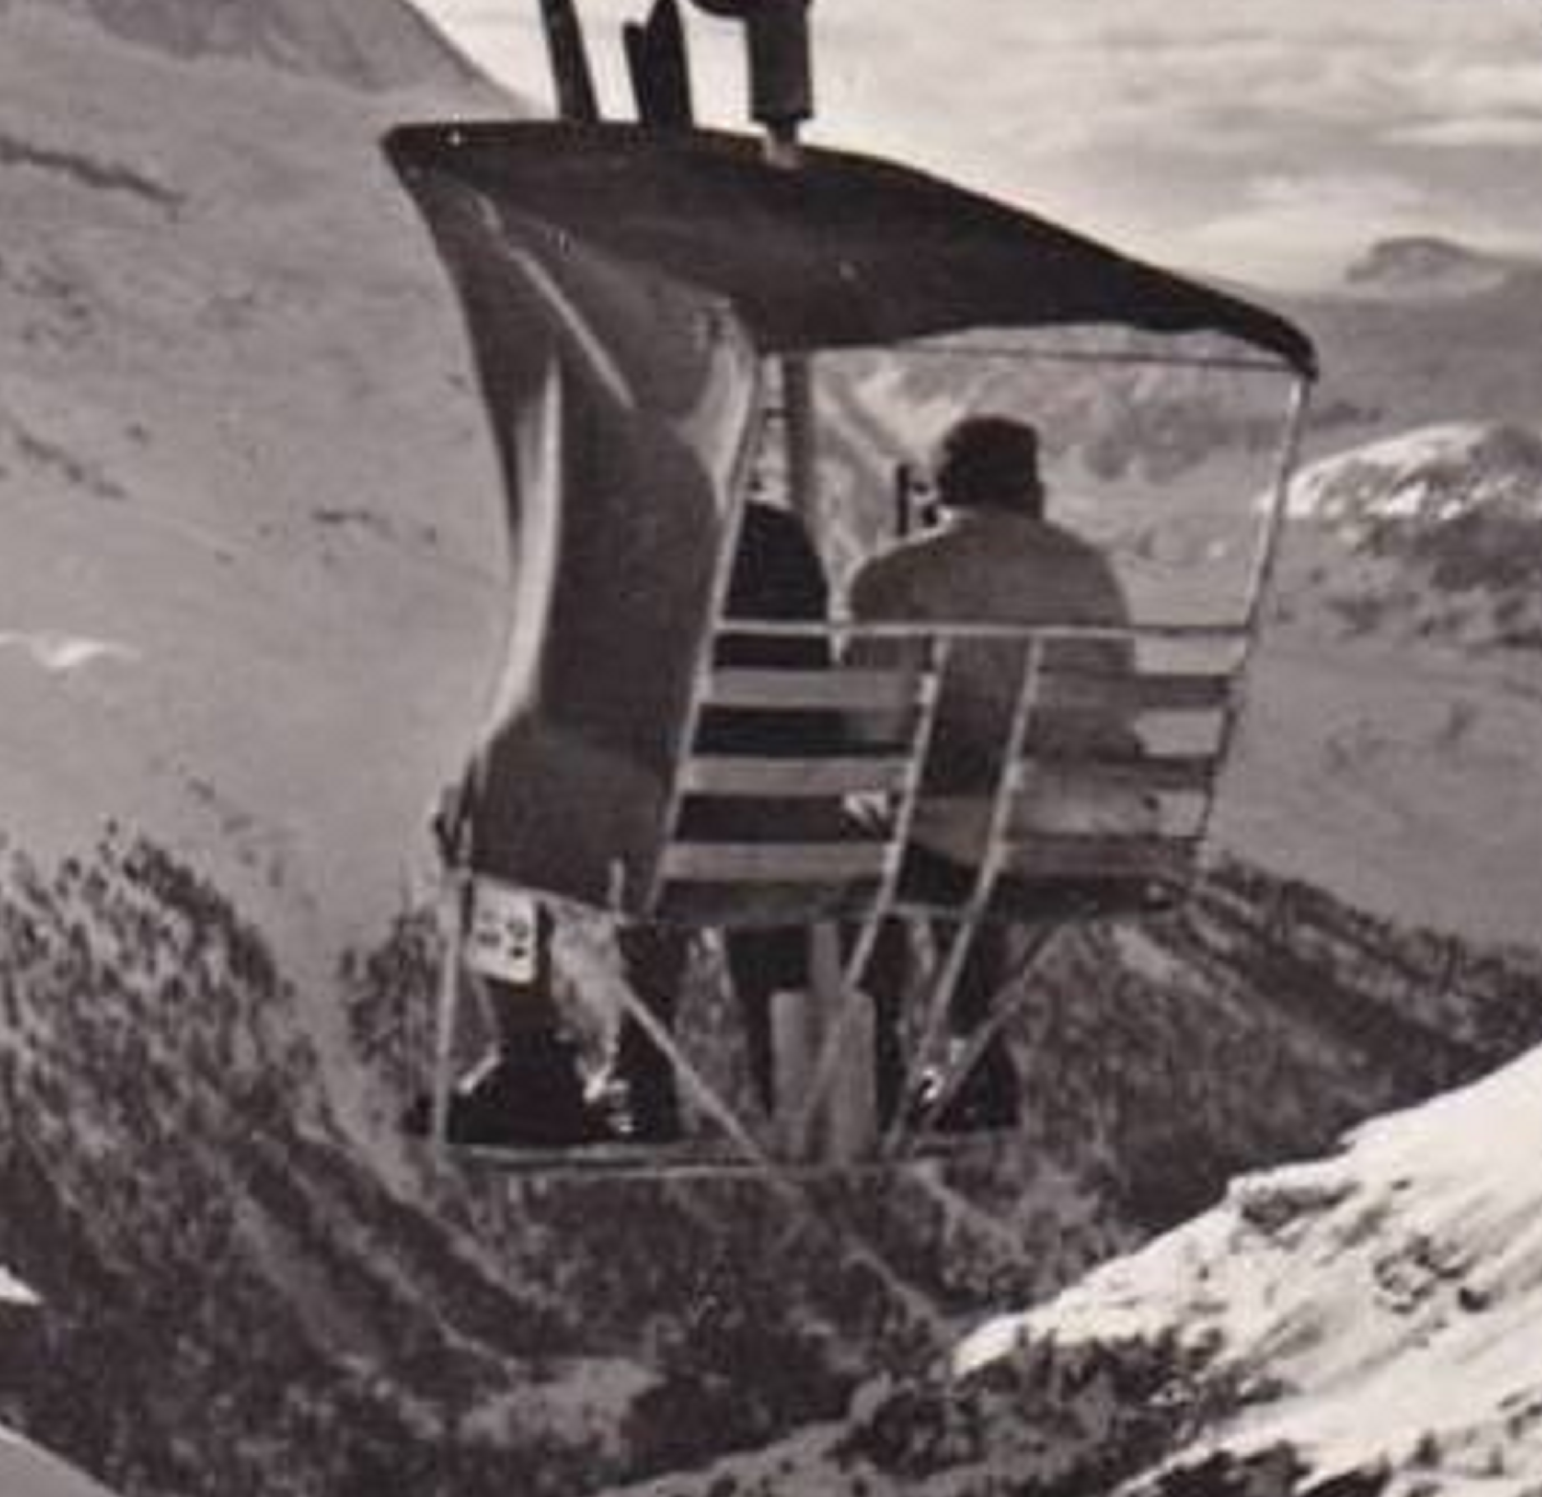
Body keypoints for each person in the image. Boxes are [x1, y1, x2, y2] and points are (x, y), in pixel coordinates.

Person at [450, 491, 830, 1149]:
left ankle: (531, 1057)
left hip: (666, 835)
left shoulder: (634, 539)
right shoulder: (782, 540)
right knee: (662, 819)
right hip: (794, 839)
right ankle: (639, 1063)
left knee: (485, 831)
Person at [843, 414, 1130, 1133]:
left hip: (974, 833)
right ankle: (972, 1058)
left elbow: (865, 729)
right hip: (1101, 833)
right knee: (969, 828)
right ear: (1032, 488)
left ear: (940, 488)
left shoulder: (900, 574)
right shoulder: (1090, 569)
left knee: (872, 838)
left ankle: (876, 1069)